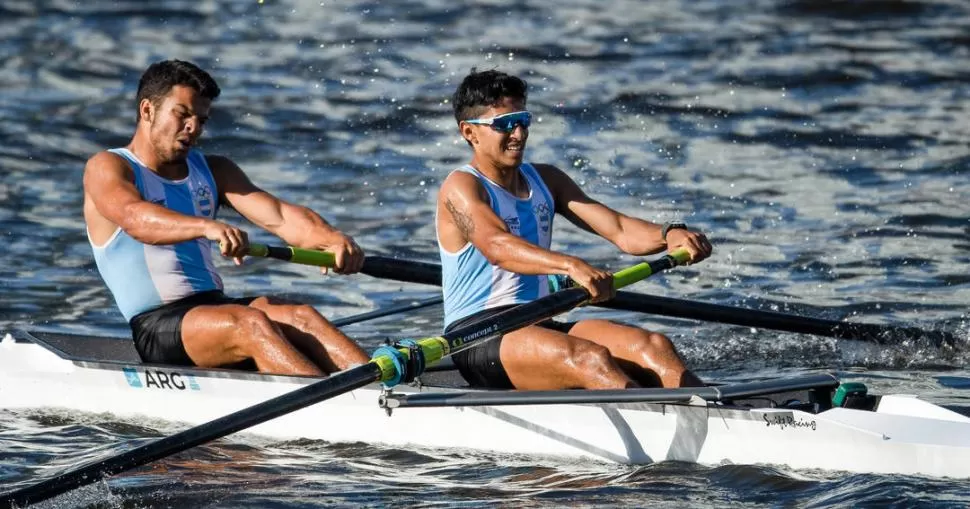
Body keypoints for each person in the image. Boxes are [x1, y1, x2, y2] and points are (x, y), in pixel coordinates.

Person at [83, 59, 370, 376]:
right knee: (251, 323)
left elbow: (281, 218)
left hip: (215, 308)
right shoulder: (108, 166)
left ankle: (383, 388)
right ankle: (332, 408)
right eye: (182, 114)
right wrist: (206, 226)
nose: (193, 128)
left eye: (201, 120)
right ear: (147, 110)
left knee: (303, 317)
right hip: (158, 325)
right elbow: (135, 219)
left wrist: (332, 239)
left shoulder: (214, 171)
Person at [436, 69, 713, 390]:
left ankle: (718, 413)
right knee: (590, 359)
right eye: (503, 124)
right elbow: (497, 246)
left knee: (654, 347)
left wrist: (669, 234)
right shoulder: (462, 186)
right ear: (469, 132)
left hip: (540, 322)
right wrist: (570, 265)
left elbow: (620, 229)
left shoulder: (547, 179)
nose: (519, 133)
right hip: (479, 336)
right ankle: (652, 421)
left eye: (522, 119)